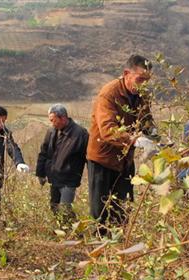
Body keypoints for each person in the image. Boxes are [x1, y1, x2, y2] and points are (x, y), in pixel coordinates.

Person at [86, 55, 157, 235]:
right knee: (99, 209)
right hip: (102, 159)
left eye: (147, 81)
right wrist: (136, 140)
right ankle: (98, 247)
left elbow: (146, 121)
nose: (143, 85)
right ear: (127, 74)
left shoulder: (142, 96)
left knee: (122, 206)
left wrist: (156, 138)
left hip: (125, 159)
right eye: (140, 79)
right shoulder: (109, 93)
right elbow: (108, 130)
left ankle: (118, 248)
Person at [36, 104, 88, 224]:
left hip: (69, 179)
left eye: (53, 120)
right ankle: (62, 231)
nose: (52, 123)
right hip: (54, 177)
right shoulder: (51, 131)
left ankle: (76, 234)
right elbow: (44, 152)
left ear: (63, 118)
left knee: (65, 209)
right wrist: (41, 173)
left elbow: (88, 157)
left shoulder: (80, 134)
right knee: (54, 207)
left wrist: (95, 178)